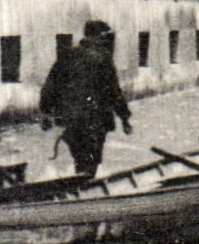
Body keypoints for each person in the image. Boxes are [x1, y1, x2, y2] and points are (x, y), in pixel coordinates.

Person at [39, 20, 132, 177]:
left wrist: (45, 113)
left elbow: (51, 85)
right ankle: (86, 185)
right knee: (91, 160)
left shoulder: (67, 55)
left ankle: (81, 181)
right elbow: (114, 91)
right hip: (95, 119)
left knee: (80, 157)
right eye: (104, 37)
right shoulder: (103, 58)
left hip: (70, 118)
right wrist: (124, 118)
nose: (105, 41)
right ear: (95, 37)